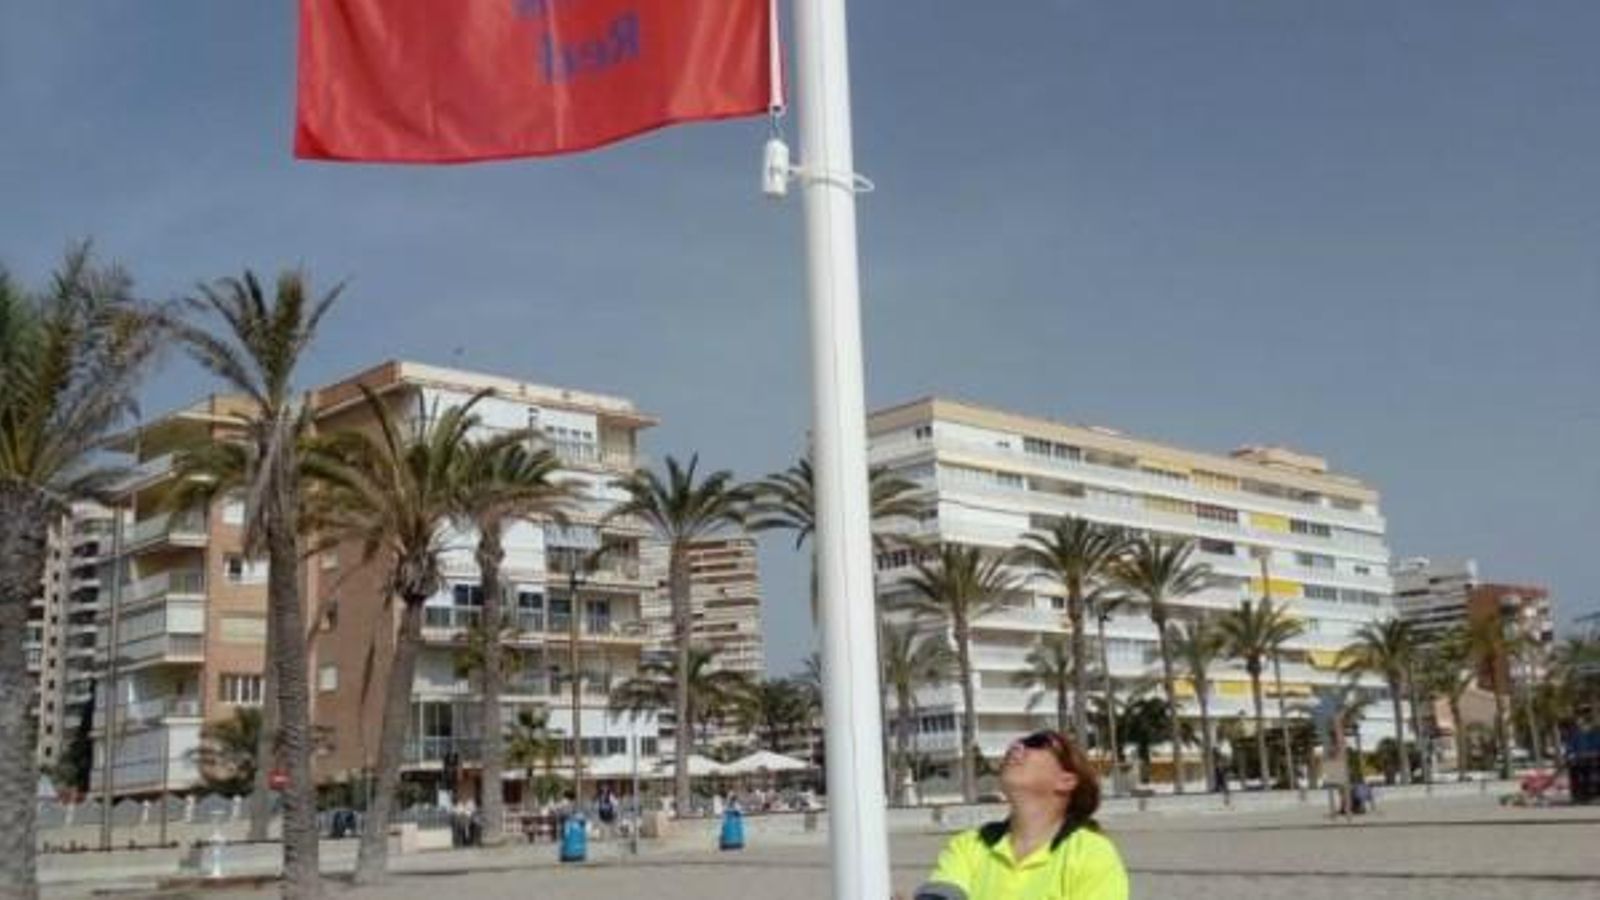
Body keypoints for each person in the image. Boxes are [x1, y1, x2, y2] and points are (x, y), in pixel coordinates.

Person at [911, 730, 1128, 900]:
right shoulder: (968, 846)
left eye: (1036, 743)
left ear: (1066, 781)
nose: (1016, 747)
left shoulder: (1091, 854)